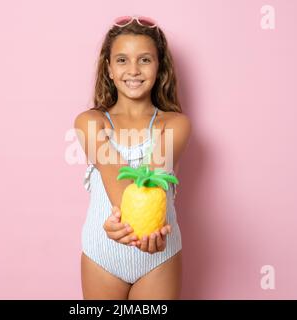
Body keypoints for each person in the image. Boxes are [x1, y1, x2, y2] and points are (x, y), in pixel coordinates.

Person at [74, 15, 191, 299]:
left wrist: (140, 230)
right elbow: (114, 173)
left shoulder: (175, 124)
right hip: (103, 255)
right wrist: (125, 224)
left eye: (145, 60)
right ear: (109, 69)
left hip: (158, 254)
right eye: (122, 60)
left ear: (159, 66)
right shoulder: (90, 122)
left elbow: (151, 179)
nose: (134, 70)